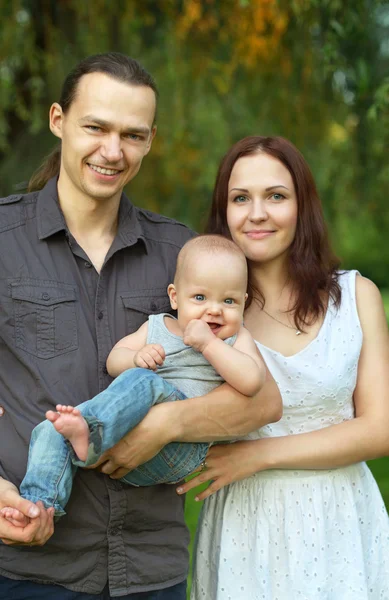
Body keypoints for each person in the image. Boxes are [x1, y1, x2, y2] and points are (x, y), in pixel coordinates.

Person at [0, 54, 281, 599]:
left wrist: (164, 425)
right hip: (27, 566)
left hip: (150, 569)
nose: (112, 151)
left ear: (151, 140)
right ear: (58, 120)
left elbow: (262, 401)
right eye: (95, 128)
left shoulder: (183, 254)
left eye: (132, 135)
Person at [176, 136, 389, 599]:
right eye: (240, 198)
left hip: (340, 520)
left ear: (302, 205)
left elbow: (379, 430)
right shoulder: (206, 316)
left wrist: (258, 456)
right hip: (244, 528)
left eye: (275, 196)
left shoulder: (356, 297)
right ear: (223, 212)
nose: (257, 213)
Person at [1, 235, 265, 522]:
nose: (214, 310)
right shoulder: (157, 326)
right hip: (126, 443)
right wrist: (136, 358)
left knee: (145, 381)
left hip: (183, 447)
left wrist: (209, 345)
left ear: (243, 303)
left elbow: (251, 382)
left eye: (229, 301)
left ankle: (90, 432)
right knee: (50, 429)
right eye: (200, 298)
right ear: (175, 296)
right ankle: (37, 506)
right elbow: (115, 360)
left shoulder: (236, 338)